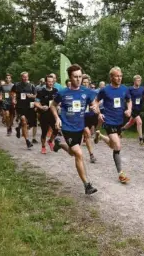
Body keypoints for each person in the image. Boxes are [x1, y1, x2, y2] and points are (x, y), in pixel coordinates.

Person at [51, 64, 98, 195]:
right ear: (70, 78)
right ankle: (87, 185)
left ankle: (59, 144)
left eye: (80, 77)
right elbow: (53, 106)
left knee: (72, 153)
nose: (78, 79)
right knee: (78, 153)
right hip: (67, 127)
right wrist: (57, 118)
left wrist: (95, 108)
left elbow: (93, 104)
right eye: (75, 77)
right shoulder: (63, 93)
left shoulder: (86, 92)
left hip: (80, 127)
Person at [94, 67, 131, 184]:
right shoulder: (105, 90)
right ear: (111, 77)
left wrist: (129, 110)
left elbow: (129, 101)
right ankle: (121, 173)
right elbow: (95, 101)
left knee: (113, 145)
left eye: (120, 76)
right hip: (108, 120)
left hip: (119, 121)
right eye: (116, 76)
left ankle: (100, 136)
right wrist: (99, 113)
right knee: (117, 145)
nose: (119, 78)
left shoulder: (125, 89)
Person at [11, 72, 37, 148]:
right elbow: (12, 93)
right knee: (23, 121)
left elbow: (35, 95)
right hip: (20, 106)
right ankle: (27, 141)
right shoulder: (16, 85)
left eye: (26, 77)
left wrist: (31, 96)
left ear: (28, 77)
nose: (25, 78)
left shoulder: (31, 86)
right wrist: (13, 99)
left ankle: (19, 128)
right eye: (23, 77)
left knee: (31, 124)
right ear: (21, 77)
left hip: (29, 107)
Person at [34, 75, 58, 154]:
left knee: (56, 129)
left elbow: (59, 101)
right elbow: (36, 102)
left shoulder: (56, 91)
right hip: (44, 114)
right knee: (44, 131)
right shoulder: (41, 92)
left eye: (52, 81)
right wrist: (41, 107)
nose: (51, 83)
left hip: (53, 114)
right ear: (46, 82)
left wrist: (59, 106)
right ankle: (43, 147)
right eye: (49, 82)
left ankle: (50, 141)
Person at [122, 75, 144, 144]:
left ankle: (121, 130)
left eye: (140, 80)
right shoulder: (130, 89)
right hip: (132, 108)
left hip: (138, 108)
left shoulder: (142, 88)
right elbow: (127, 98)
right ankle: (141, 139)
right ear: (134, 81)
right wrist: (129, 108)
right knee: (139, 122)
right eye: (137, 80)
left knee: (131, 123)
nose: (139, 82)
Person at [82, 75, 98, 163]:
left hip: (89, 116)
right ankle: (60, 144)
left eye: (87, 83)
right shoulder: (77, 92)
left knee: (88, 134)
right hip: (78, 117)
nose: (85, 84)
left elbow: (95, 102)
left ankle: (91, 155)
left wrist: (94, 107)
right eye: (84, 83)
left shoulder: (91, 92)